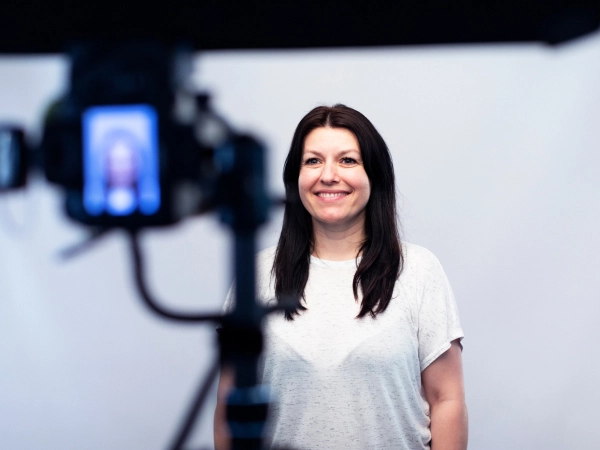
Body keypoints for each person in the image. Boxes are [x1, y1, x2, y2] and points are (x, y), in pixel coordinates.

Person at [214, 104, 467, 450]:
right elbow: (230, 405)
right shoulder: (256, 274)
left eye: (347, 160)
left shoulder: (419, 270)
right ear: (295, 178)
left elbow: (447, 400)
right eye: (313, 161)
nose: (328, 175)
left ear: (373, 175)